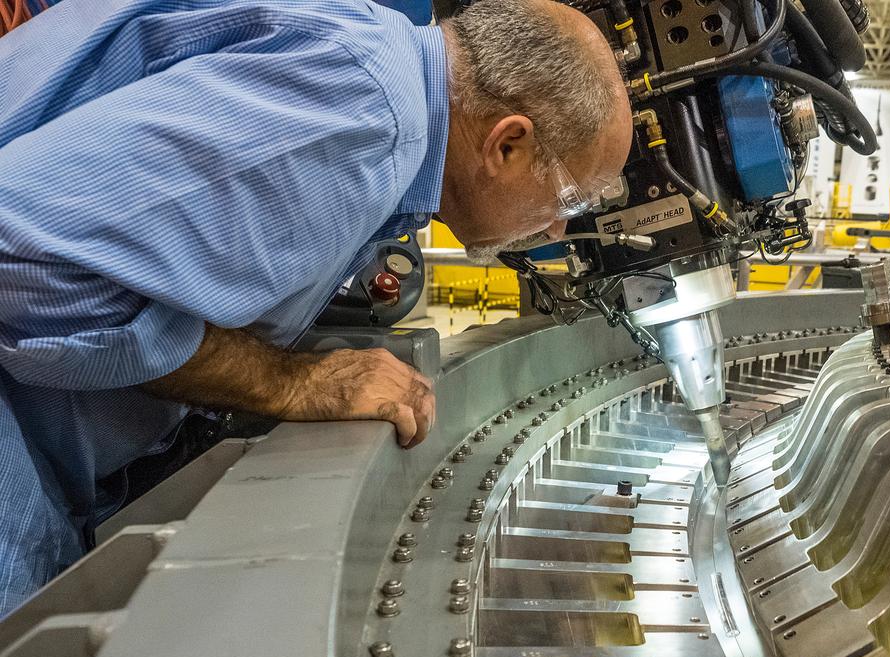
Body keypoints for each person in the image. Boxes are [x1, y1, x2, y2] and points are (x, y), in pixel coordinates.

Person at [0, 0, 634, 613]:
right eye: (569, 198)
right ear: (507, 144)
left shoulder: (366, 51)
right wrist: (287, 382)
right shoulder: (362, 120)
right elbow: (28, 259)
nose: (555, 230)